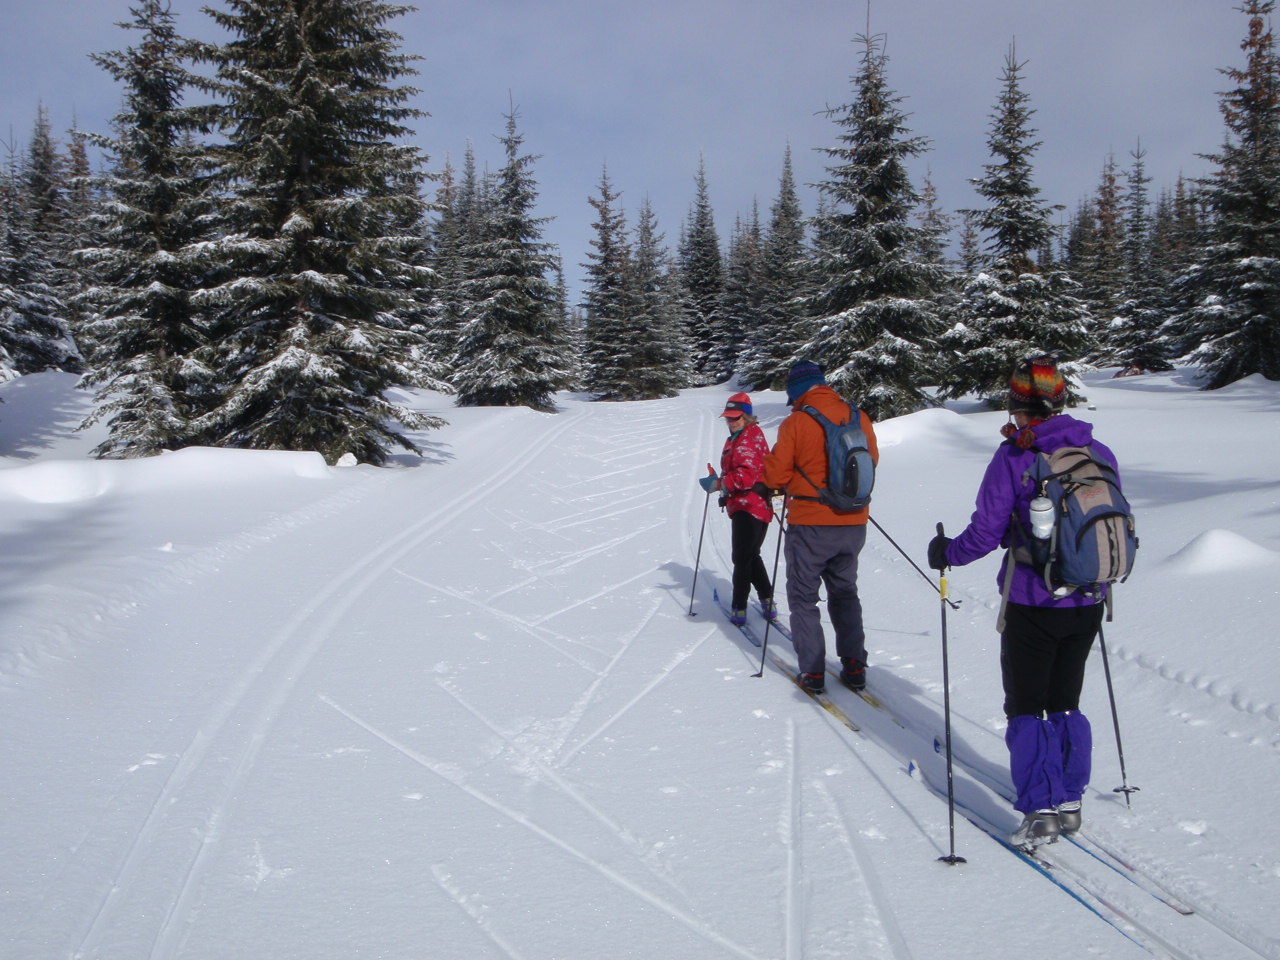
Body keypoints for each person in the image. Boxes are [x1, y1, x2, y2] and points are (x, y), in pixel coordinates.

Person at [927, 355, 1118, 850]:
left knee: (1026, 706)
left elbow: (987, 531)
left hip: (1033, 601)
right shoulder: (1097, 450)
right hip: (1090, 597)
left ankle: (1040, 810)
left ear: (1020, 405)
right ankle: (1070, 801)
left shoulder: (1016, 457)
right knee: (1066, 701)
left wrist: (948, 553)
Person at [762, 362, 879, 694]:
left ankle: (813, 672)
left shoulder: (797, 422)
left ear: (797, 393)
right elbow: (873, 460)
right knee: (844, 592)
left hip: (811, 523)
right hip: (854, 522)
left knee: (803, 599)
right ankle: (854, 665)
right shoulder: (859, 416)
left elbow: (775, 476)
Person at [700, 393, 775, 626]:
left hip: (750, 505)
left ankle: (739, 608)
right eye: (729, 418)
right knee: (751, 555)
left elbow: (746, 476)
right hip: (748, 504)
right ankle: (767, 601)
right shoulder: (738, 437)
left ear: (747, 417)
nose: (732, 422)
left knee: (741, 558)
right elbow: (736, 469)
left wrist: (720, 484)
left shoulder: (747, 440)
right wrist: (720, 479)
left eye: (737, 418)